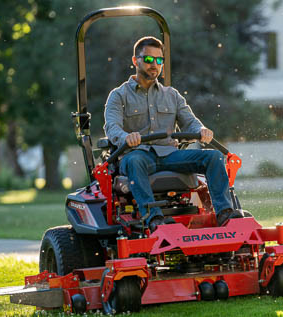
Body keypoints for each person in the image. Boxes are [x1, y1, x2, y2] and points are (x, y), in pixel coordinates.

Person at [104, 36, 243, 232]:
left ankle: (225, 213)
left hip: (170, 155)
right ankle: (153, 219)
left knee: (213, 157)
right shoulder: (118, 95)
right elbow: (112, 127)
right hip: (138, 155)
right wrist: (125, 137)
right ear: (135, 61)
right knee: (135, 161)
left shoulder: (172, 95)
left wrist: (200, 130)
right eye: (149, 59)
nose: (155, 65)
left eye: (159, 60)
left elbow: (191, 122)